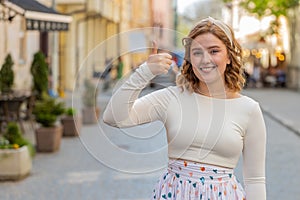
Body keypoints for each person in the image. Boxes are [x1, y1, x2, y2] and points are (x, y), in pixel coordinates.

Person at [103, 17, 266, 200]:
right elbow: (113, 117)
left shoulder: (249, 109)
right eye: (197, 52)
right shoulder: (172, 98)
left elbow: (255, 180)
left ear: (228, 57)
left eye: (214, 51)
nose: (205, 60)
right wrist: (145, 72)